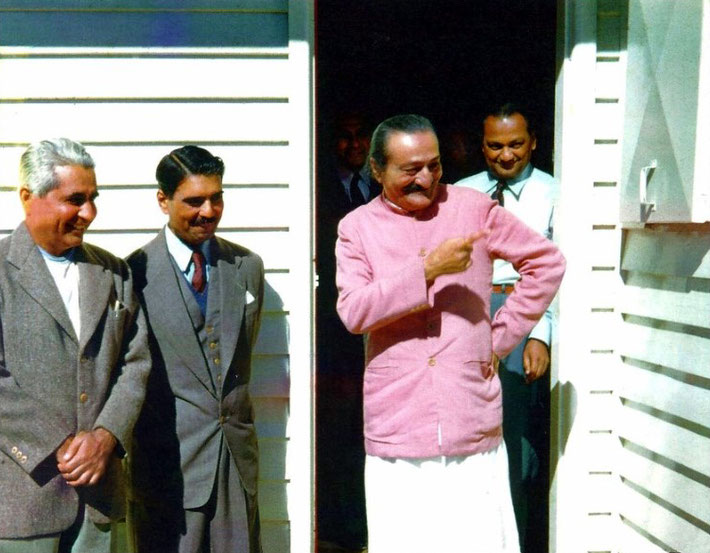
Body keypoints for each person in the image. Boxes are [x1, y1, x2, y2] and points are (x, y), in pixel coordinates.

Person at [335, 114, 565, 553]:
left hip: (469, 417)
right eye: (410, 169)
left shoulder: (472, 208)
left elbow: (546, 263)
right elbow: (354, 311)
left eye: (434, 165)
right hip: (398, 424)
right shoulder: (357, 228)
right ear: (378, 170)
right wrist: (426, 271)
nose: (426, 178)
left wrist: (498, 339)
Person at [0, 138, 150, 552]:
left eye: (93, 199)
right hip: (23, 502)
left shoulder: (113, 271)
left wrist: (105, 437)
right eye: (75, 199)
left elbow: (135, 363)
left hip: (101, 499)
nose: (89, 213)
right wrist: (58, 444)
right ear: (29, 198)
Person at [127, 145, 264, 553]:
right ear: (163, 201)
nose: (209, 211)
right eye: (194, 201)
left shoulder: (247, 266)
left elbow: (238, 361)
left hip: (236, 462)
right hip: (168, 467)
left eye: (216, 197)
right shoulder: (133, 273)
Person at [456, 103, 557, 552]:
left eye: (516, 144)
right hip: (472, 312)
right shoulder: (462, 192)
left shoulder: (555, 192)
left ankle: (517, 536)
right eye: (495, 146)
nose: (506, 155)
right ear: (482, 147)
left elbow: (556, 271)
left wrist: (539, 333)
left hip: (524, 309)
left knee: (517, 433)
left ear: (533, 142)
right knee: (471, 427)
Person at [316, 111, 380, 550]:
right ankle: (340, 527)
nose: (354, 146)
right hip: (334, 330)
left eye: (362, 137)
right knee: (339, 429)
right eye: (346, 135)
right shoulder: (317, 188)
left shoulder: (382, 189)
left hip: (381, 322)